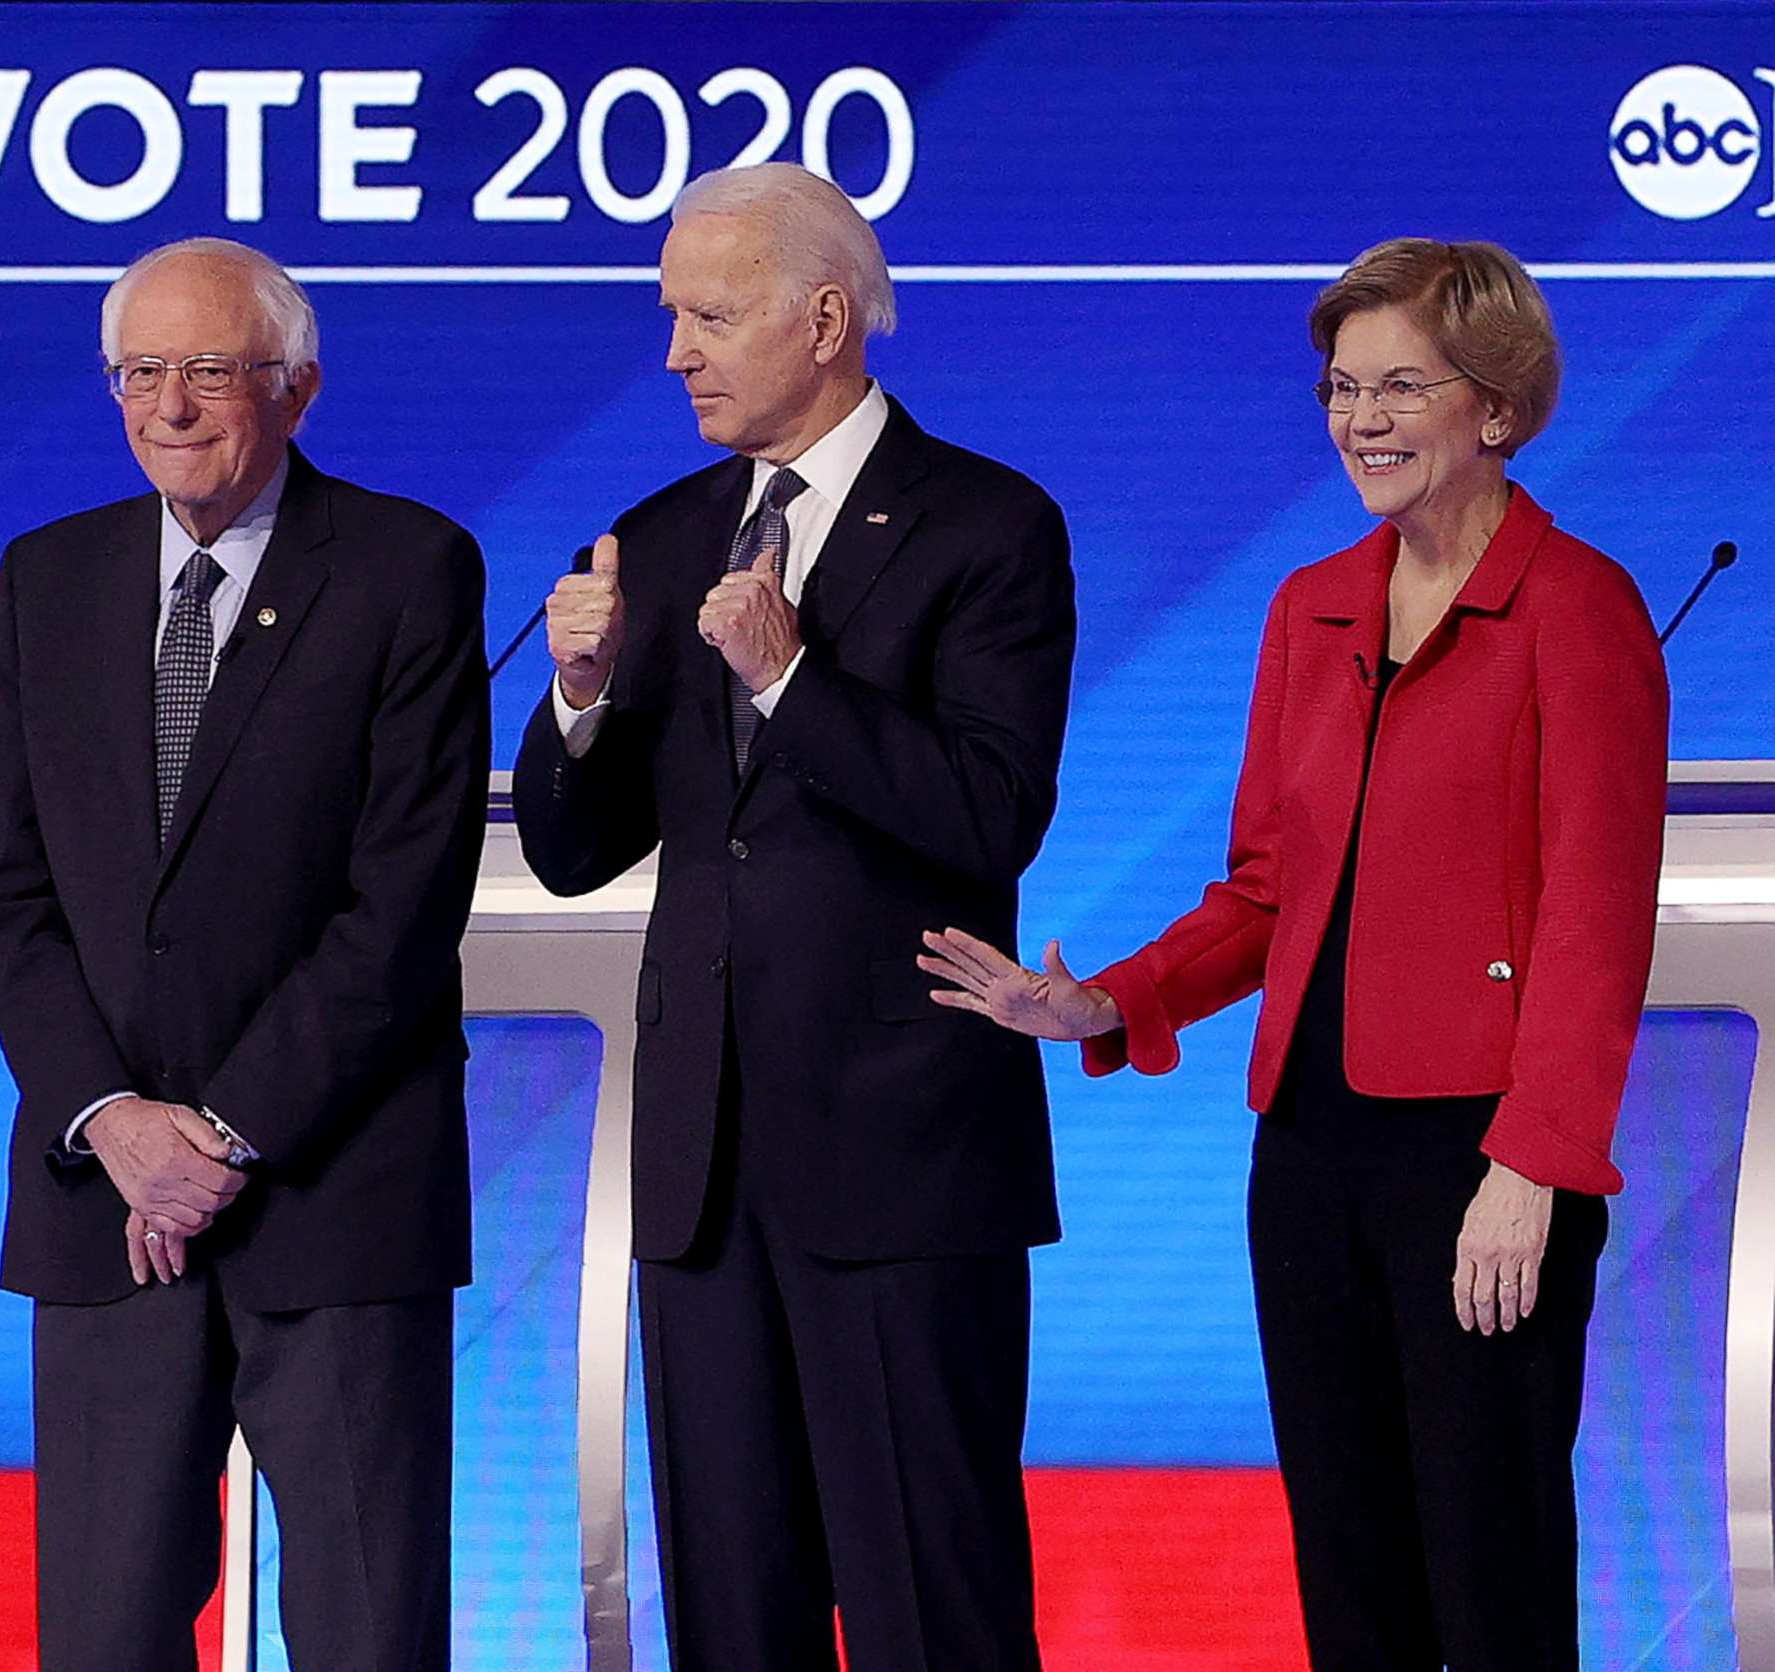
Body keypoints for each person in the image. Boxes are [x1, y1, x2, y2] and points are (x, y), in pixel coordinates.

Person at [921, 238, 1665, 1669]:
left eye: (1401, 386)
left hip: (1482, 1155)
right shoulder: (1309, 607)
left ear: (1497, 409)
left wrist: (1537, 1165)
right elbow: (1270, 891)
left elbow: (1594, 914)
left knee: (1490, 1561)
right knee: (1350, 1566)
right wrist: (1104, 997)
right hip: (1310, 1148)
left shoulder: (1579, 611)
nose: (1361, 420)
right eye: (1340, 388)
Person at [511, 163, 1074, 1672]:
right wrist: (571, 702)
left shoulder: (987, 525)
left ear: (826, 319)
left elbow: (988, 814)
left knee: (926, 1595)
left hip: (902, 1151)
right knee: (731, 1601)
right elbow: (577, 852)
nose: (676, 353)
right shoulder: (663, 526)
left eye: (708, 316)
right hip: (704, 1162)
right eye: (670, 319)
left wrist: (791, 682)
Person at [0, 236, 489, 1672]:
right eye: (142, 372)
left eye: (210, 370)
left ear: (297, 388)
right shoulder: (46, 578)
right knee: (106, 1636)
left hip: (335, 1192)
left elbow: (402, 902)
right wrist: (115, 1122)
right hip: (100, 1199)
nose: (171, 405)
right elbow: (4, 891)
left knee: (367, 1632)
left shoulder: (407, 568)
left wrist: (228, 1134)